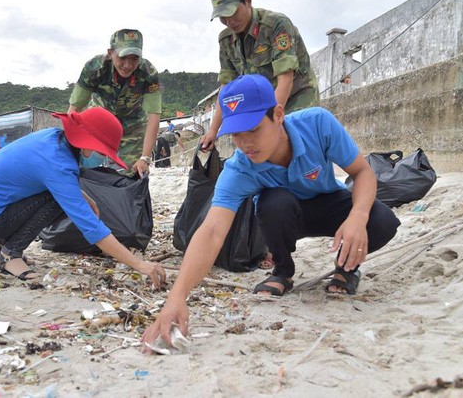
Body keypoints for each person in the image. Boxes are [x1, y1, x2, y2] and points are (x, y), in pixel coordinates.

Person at [142, 74, 400, 349]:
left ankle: (347, 268)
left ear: (277, 114)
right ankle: (283, 270)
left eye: (253, 129)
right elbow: (212, 230)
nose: (246, 144)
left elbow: (362, 173)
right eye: (236, 135)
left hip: (328, 201)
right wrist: (177, 297)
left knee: (381, 220)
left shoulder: (317, 124)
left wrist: (357, 218)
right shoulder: (240, 167)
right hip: (283, 215)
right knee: (271, 202)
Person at [0, 106, 166, 287]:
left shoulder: (52, 139)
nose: (102, 159)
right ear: (87, 145)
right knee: (55, 200)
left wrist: (86, 197)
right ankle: (8, 256)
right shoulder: (59, 164)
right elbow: (91, 227)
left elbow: (50, 182)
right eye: (102, 153)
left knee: (57, 197)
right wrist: (140, 265)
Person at [201, 0, 320, 152]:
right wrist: (213, 131)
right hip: (262, 104)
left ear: (248, 1)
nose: (229, 21)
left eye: (233, 13)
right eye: (222, 17)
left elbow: (285, 79)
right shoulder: (226, 40)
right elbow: (226, 88)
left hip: (296, 97)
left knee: (301, 150)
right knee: (262, 157)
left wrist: (270, 122)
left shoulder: (275, 25)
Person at [67, 29, 161, 178]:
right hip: (100, 122)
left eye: (134, 59)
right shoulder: (94, 68)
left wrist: (145, 157)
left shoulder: (148, 73)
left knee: (135, 173)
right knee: (84, 167)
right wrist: (68, 146)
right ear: (110, 53)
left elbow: (154, 116)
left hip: (133, 125)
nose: (127, 65)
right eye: (122, 58)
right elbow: (74, 109)